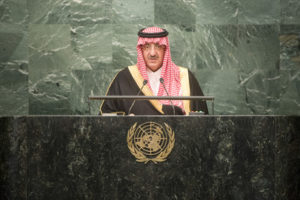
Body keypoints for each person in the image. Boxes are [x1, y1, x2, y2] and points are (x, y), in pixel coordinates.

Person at [100, 27, 208, 115]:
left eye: (158, 47)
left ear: (165, 49)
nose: (152, 53)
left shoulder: (184, 77)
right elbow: (106, 117)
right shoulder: (125, 78)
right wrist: (125, 121)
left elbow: (202, 120)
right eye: (147, 47)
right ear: (141, 49)